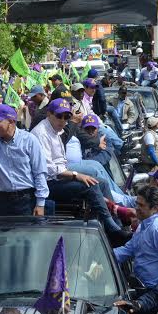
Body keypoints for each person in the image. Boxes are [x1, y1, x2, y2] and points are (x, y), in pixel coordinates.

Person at [31, 99, 125, 236]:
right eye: (59, 116)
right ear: (49, 114)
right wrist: (77, 175)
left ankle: (117, 223)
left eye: (67, 117)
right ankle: (112, 229)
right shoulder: (41, 133)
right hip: (47, 184)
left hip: (60, 177)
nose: (63, 120)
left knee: (102, 183)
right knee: (90, 184)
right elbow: (49, 169)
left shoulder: (57, 130)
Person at [113, 185, 158, 289]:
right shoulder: (143, 225)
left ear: (154, 208)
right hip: (140, 286)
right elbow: (129, 249)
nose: (137, 208)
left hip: (153, 291)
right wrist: (105, 257)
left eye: (141, 205)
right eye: (137, 204)